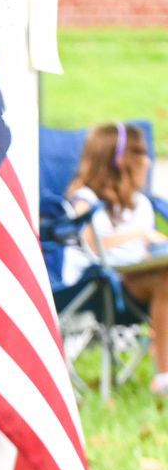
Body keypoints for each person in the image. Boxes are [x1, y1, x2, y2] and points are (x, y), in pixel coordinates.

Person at [66, 122, 168, 395]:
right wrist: (140, 233)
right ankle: (164, 377)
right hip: (97, 287)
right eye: (141, 154)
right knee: (165, 282)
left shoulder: (141, 204)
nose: (148, 161)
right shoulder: (85, 200)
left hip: (136, 283)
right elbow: (91, 244)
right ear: (120, 159)